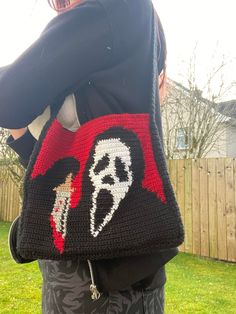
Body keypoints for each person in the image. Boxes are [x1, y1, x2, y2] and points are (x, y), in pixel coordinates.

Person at [0, 0, 179, 313]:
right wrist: (22, 139)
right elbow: (64, 173)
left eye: (64, 0)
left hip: (100, 282)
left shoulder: (117, 7)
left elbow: (9, 97)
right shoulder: (122, 45)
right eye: (57, 2)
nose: (61, 9)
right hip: (88, 270)